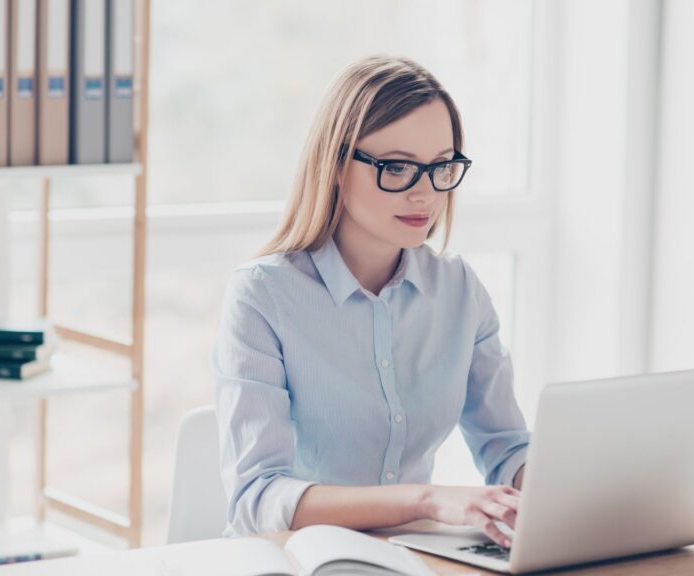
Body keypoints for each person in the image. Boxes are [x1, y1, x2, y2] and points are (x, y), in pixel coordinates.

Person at [212, 56, 529, 548]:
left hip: (411, 556)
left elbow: (507, 447)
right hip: (291, 559)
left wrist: (574, 494)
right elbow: (258, 498)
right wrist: (424, 500)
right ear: (336, 167)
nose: (425, 193)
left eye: (441, 166)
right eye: (398, 167)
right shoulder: (262, 296)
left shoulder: (459, 290)